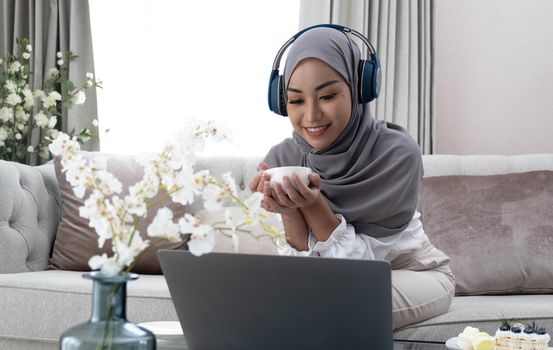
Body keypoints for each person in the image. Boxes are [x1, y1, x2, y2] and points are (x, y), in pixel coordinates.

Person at [248, 25, 455, 330]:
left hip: (417, 273)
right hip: (332, 283)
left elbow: (355, 275)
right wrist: (290, 209)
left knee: (339, 304)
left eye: (327, 95)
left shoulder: (395, 154)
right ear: (282, 103)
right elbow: (304, 271)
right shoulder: (283, 160)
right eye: (296, 101)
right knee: (288, 300)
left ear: (360, 88)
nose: (311, 116)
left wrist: (315, 205)